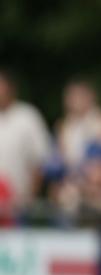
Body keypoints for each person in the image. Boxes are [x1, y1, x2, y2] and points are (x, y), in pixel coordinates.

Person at [0, 70, 52, 221]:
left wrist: (30, 198)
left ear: (11, 89)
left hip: (19, 207)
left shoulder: (28, 116)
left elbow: (41, 160)